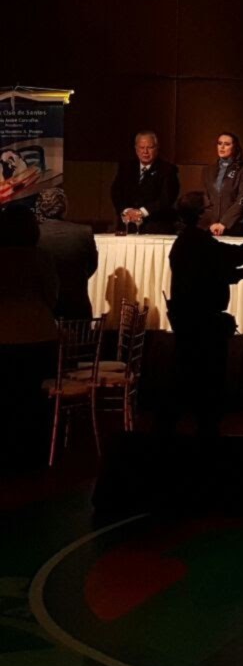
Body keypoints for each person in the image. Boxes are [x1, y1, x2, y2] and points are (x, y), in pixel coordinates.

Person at [158, 192, 243, 438]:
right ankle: (202, 431)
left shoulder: (190, 240)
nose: (212, 209)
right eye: (208, 206)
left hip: (191, 319)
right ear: (200, 214)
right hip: (201, 323)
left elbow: (212, 272)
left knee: (189, 375)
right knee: (205, 378)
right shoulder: (197, 242)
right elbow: (237, 255)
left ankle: (182, 427)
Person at [0, 204, 59, 468]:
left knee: (5, 396)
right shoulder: (41, 257)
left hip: (3, 335)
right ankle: (33, 453)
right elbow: (52, 296)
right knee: (34, 397)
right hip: (38, 333)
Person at [35, 187, 98, 320]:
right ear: (65, 207)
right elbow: (92, 265)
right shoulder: (84, 232)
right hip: (77, 309)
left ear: (40, 208)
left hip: (44, 311)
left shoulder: (34, 234)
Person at [110, 130, 179, 234]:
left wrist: (141, 212)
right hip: (128, 226)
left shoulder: (168, 170)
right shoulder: (126, 168)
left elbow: (167, 198)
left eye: (150, 147)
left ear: (157, 148)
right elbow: (116, 193)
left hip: (155, 228)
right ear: (136, 149)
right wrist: (126, 210)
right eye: (142, 148)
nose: (145, 152)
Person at [200, 131, 243, 236]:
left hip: (234, 226)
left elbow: (242, 198)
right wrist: (212, 222)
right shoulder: (207, 170)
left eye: (227, 144)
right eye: (219, 143)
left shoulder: (242, 170)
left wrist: (224, 223)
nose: (222, 147)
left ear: (234, 147)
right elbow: (205, 197)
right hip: (211, 226)